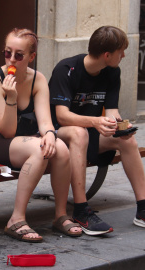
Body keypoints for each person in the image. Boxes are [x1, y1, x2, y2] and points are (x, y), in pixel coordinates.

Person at [0, 28, 82, 242]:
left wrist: (51, 134)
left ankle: (60, 215)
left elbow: (44, 121)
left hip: (20, 139)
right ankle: (16, 219)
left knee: (60, 148)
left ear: (31, 57)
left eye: (19, 55)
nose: (11, 60)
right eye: (7, 53)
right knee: (39, 149)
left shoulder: (38, 79)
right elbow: (7, 130)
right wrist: (11, 97)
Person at [49, 25, 145, 236]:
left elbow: (111, 111)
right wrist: (95, 122)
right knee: (79, 133)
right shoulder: (66, 69)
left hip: (90, 132)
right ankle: (81, 211)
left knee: (127, 140)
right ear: (107, 54)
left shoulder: (112, 72)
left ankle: (142, 208)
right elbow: (62, 117)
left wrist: (120, 126)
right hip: (57, 134)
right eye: (121, 52)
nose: (124, 55)